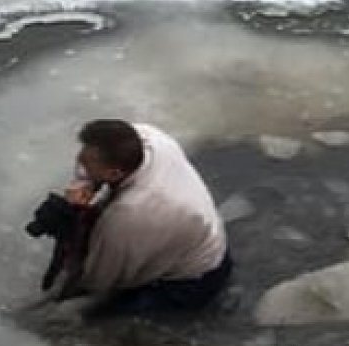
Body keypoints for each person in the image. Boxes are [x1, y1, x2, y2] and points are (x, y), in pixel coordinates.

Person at [63, 119, 231, 316]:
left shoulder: (128, 215)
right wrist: (86, 182)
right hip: (201, 231)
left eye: (87, 166)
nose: (81, 168)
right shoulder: (149, 137)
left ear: (114, 173)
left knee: (95, 317)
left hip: (193, 280)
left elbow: (96, 281)